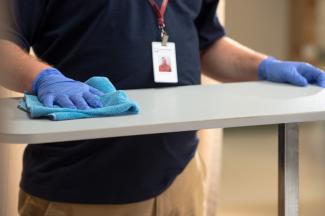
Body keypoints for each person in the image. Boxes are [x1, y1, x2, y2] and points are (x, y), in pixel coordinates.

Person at [0, 0, 324, 215]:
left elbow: (206, 41)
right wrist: (44, 78)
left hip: (180, 177)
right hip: (82, 186)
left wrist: (265, 66)